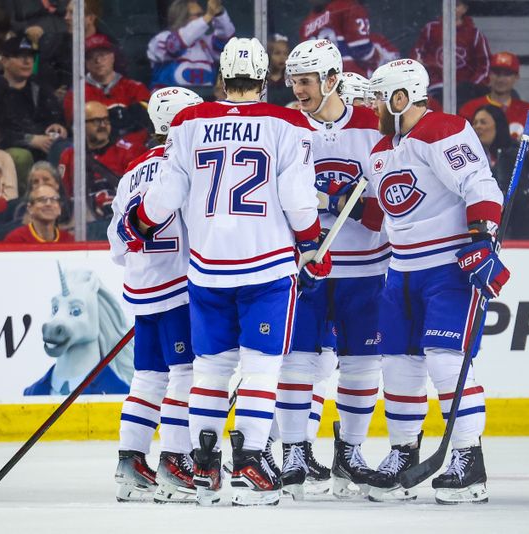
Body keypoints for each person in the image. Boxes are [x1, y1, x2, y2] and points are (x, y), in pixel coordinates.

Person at [120, 37, 331, 507]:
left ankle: (204, 469)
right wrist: (313, 242)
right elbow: (299, 200)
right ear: (264, 79)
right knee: (260, 368)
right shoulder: (287, 122)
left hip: (208, 269)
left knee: (210, 371)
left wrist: (139, 223)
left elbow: (163, 196)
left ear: (220, 77)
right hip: (266, 265)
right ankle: (251, 464)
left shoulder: (188, 122)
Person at [366, 58, 509, 504]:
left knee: (445, 361)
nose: (372, 105)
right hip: (400, 270)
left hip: (447, 267)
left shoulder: (441, 129)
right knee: (398, 363)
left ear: (400, 97)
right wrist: (328, 200)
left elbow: (479, 184)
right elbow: (377, 213)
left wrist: (481, 238)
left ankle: (469, 460)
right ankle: (403, 453)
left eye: (378, 96)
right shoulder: (379, 150)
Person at [282, 39, 387, 500]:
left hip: (364, 265)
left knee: (362, 363)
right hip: (304, 265)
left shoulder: (372, 125)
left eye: (305, 81)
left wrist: (349, 203)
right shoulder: (284, 126)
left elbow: (390, 195)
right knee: (297, 360)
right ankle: (294, 450)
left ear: (331, 79)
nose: (298, 90)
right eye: (293, 81)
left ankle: (350, 452)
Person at [107, 86, 202, 504]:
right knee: (185, 374)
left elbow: (116, 245)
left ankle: (131, 463)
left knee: (148, 376)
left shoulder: (131, 173)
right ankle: (176, 460)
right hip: (180, 287)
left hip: (143, 289)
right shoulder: (189, 165)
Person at [0, 35, 67, 164]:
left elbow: (57, 117)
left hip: (44, 146)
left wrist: (59, 127)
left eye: (31, 57)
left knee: (67, 150)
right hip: (6, 150)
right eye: (20, 56)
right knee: (20, 156)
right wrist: (30, 139)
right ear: (4, 61)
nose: (27, 62)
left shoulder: (40, 87)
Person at [58, 101, 147, 223]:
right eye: (96, 121)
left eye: (106, 120)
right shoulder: (69, 156)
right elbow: (66, 197)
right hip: (84, 222)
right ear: (81, 125)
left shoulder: (129, 152)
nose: (103, 125)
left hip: (122, 219)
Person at [63, 33, 150, 141]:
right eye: (91, 57)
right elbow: (77, 130)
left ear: (112, 56)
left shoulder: (135, 88)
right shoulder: (76, 94)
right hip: (94, 152)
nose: (98, 61)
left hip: (132, 150)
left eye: (102, 55)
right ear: (85, 62)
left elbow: (147, 125)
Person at [458, 51, 529, 140]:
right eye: (497, 73)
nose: (501, 79)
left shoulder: (528, 111)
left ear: (516, 77)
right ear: (489, 75)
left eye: (507, 74)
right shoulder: (469, 109)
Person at [411, 0, 491, 106]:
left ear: (465, 9)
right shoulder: (431, 29)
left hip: (464, 91)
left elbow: (485, 65)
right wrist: (423, 64)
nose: (452, 8)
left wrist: (471, 85)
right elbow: (418, 53)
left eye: (457, 5)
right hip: (435, 86)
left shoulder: (474, 34)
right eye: (449, 5)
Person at [146, 0, 235, 88]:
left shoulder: (205, 42)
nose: (203, 18)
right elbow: (174, 46)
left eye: (203, 15)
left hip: (205, 99)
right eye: (198, 15)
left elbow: (227, 42)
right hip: (169, 98)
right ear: (182, 17)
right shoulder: (161, 39)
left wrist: (218, 13)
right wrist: (208, 15)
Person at [299, 0, 378, 77]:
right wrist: (377, 58)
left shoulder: (306, 24)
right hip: (349, 78)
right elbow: (362, 50)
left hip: (320, 82)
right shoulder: (347, 6)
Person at [4, 183, 74, 242]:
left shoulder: (68, 240)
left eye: (53, 199)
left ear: (59, 209)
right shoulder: (16, 239)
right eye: (42, 200)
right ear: (30, 208)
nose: (48, 204)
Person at [471, 104, 517, 193]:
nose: (477, 126)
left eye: (483, 122)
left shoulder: (514, 153)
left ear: (498, 126)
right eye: (475, 123)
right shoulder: (471, 155)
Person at [265, 34, 294, 107]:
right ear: (268, 55)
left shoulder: (292, 82)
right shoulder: (263, 81)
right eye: (277, 53)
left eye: (285, 54)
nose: (282, 57)